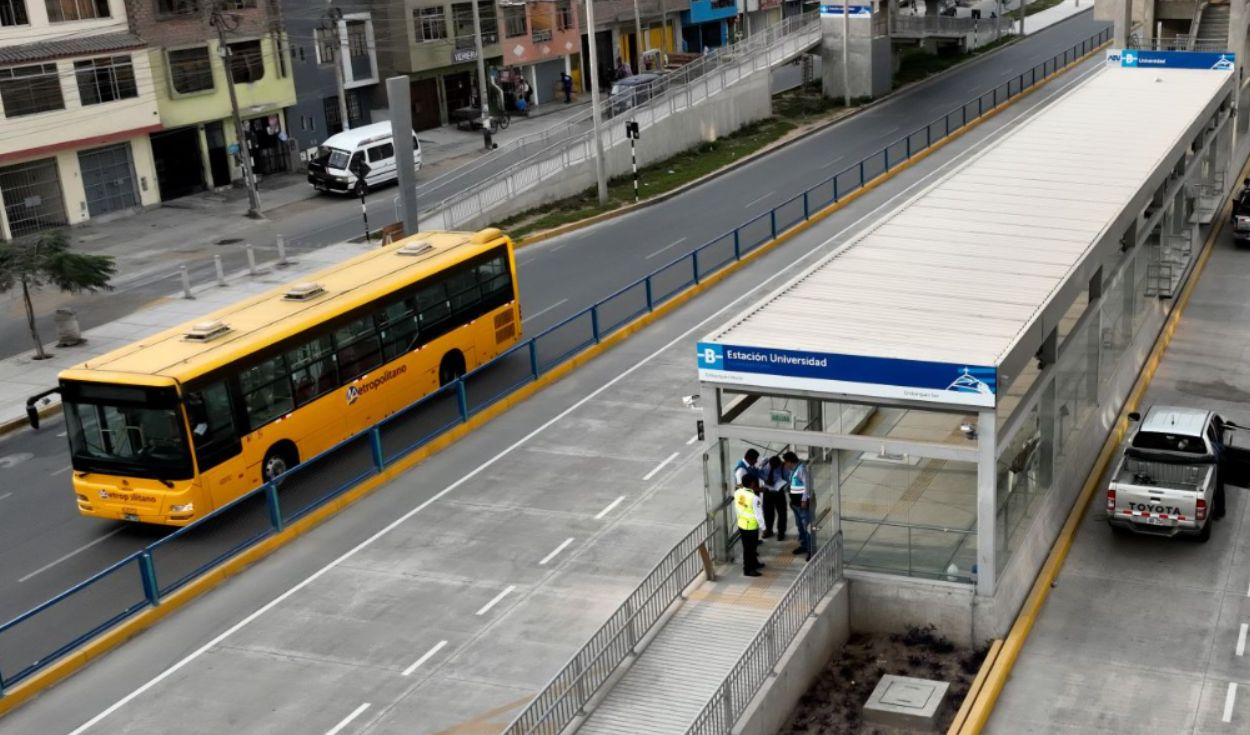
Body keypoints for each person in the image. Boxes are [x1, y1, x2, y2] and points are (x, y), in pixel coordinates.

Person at [734, 474, 766, 577]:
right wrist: (764, 528)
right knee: (750, 549)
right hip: (751, 527)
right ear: (752, 483)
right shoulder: (754, 498)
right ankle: (748, 569)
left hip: (741, 524)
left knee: (748, 548)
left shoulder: (738, 492)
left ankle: (754, 563)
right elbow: (759, 515)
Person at [783, 451, 812, 556]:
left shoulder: (801, 469)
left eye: (786, 463)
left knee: (806, 526)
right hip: (795, 503)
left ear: (790, 462)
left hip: (801, 504)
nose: (785, 465)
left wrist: (804, 500)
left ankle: (810, 549)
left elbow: (807, 485)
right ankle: (804, 545)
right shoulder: (793, 470)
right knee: (799, 525)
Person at [760, 454, 788, 541]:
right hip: (767, 492)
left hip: (779, 492)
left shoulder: (783, 467)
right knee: (767, 512)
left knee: (782, 513)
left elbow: (788, 479)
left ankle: (781, 532)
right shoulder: (765, 464)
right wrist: (765, 481)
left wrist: (783, 484)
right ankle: (768, 530)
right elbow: (759, 473)